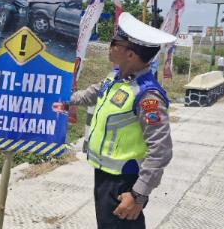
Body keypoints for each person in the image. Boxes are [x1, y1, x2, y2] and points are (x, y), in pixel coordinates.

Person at [67, 12, 176, 228]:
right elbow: (90, 94)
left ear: (131, 55)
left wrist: (138, 195)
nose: (110, 46)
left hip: (125, 184)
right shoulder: (116, 76)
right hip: (104, 176)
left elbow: (161, 150)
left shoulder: (147, 96)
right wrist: (58, 100)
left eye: (115, 42)